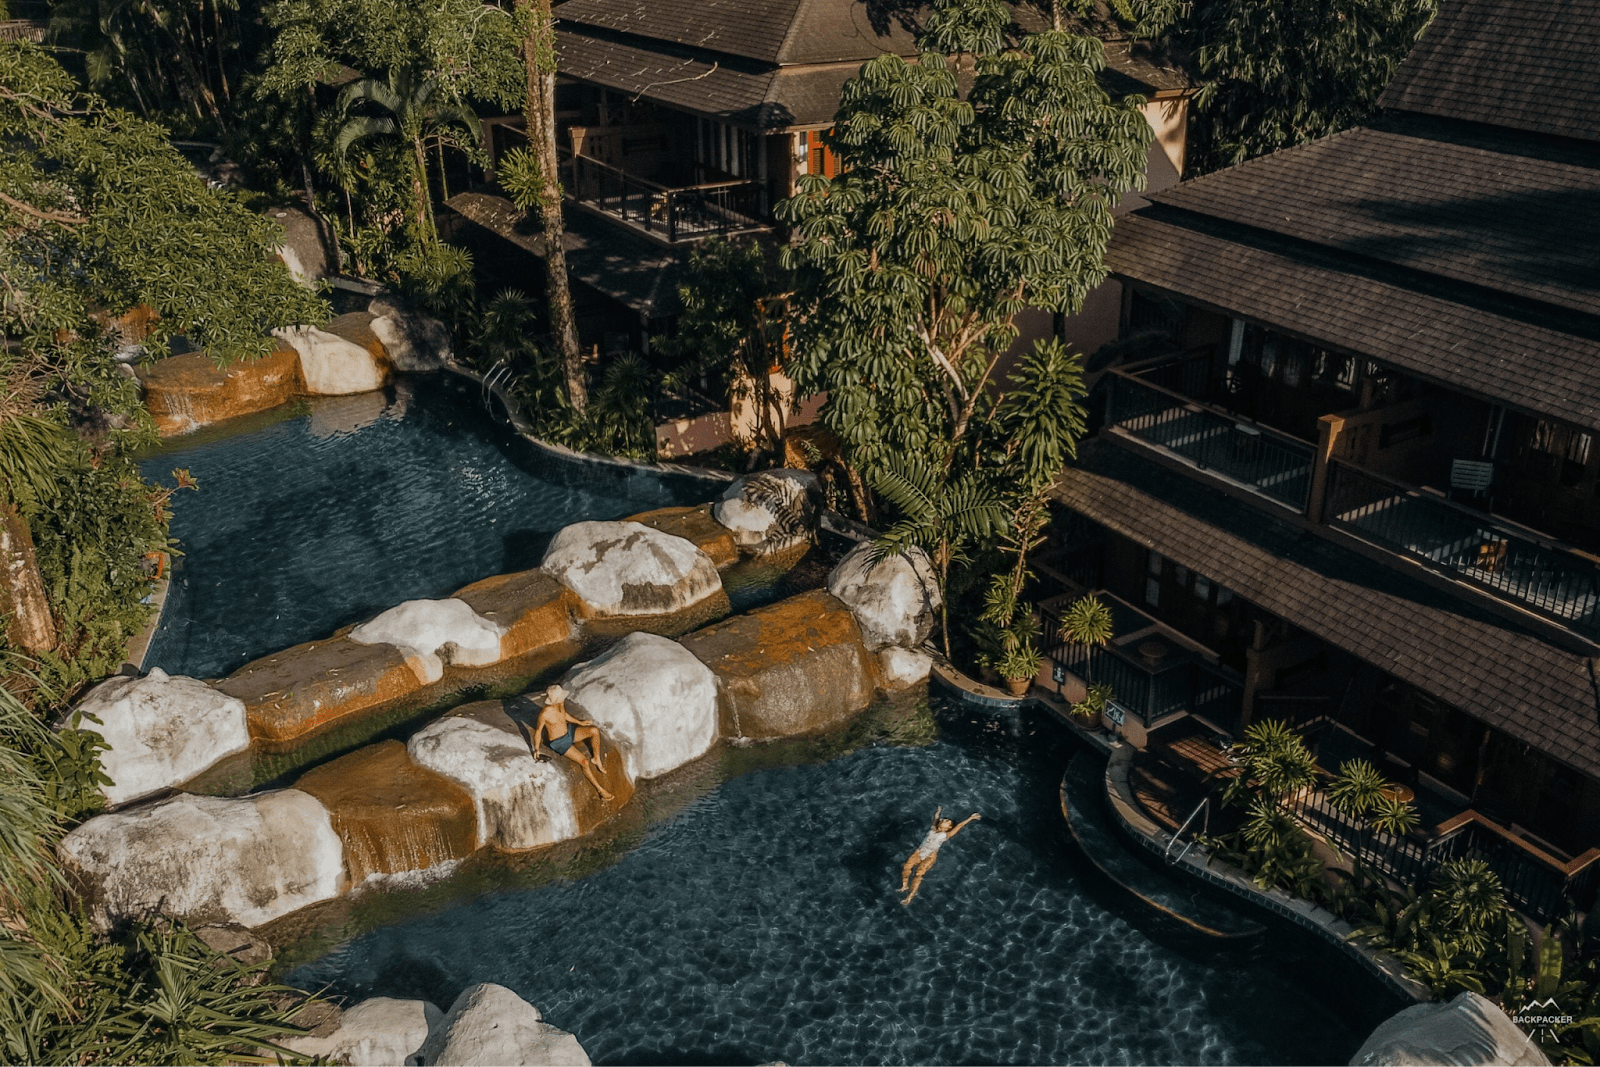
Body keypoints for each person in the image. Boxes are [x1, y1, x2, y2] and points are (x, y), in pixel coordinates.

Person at [530, 684, 614, 801]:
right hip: (559, 742)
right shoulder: (545, 714)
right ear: (555, 699)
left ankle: (596, 759)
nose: (562, 699)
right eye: (560, 697)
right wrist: (536, 749)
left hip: (569, 732)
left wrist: (579, 723)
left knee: (594, 731)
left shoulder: (560, 704)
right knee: (584, 762)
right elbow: (538, 731)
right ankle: (600, 790)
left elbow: (564, 715)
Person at [898, 806, 980, 905]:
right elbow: (936, 819)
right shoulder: (933, 828)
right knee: (907, 866)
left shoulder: (946, 835)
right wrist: (938, 812)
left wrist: (971, 818)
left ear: (948, 827)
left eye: (947, 821)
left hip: (930, 855)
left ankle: (909, 897)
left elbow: (959, 826)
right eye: (945, 819)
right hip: (919, 852)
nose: (944, 820)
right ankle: (904, 886)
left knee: (919, 874)